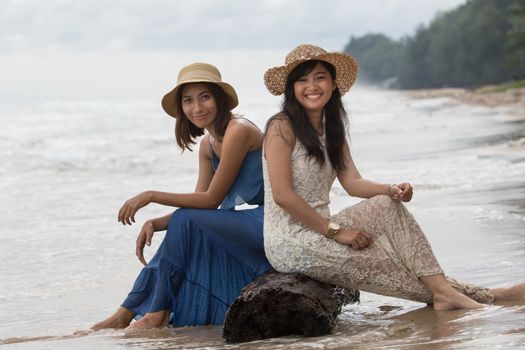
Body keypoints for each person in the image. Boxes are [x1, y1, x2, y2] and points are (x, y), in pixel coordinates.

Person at [262, 44, 525, 311]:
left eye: (320, 77)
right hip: (290, 240)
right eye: (302, 80)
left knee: (387, 205)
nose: (312, 86)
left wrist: (391, 189)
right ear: (292, 89)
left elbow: (352, 182)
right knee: (386, 263)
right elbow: (283, 196)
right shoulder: (281, 126)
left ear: (332, 83)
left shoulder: (333, 127)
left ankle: (457, 294)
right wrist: (337, 232)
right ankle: (481, 296)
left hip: (320, 229)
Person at [90, 62, 271, 330]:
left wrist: (151, 195)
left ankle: (155, 313)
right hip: (247, 224)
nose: (197, 108)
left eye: (205, 97)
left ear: (220, 99)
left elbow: (210, 201)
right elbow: (203, 207)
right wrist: (157, 223)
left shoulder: (239, 130)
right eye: (188, 100)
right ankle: (127, 311)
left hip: (273, 222)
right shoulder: (208, 145)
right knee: (183, 220)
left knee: (185, 218)